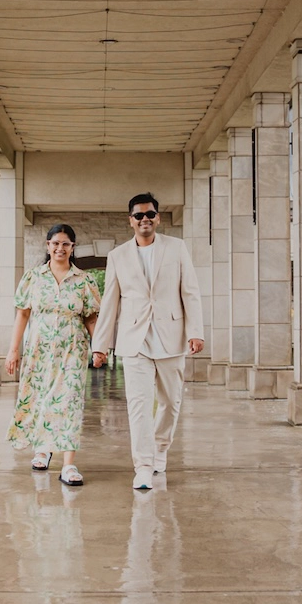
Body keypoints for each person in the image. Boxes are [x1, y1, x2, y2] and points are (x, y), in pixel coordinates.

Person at [90, 193, 204, 490]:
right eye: (138, 215)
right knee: (138, 406)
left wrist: (196, 331)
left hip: (171, 337)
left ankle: (160, 450)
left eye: (150, 214)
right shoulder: (118, 256)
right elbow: (110, 303)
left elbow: (190, 292)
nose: (145, 220)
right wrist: (100, 346)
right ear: (131, 221)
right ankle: (142, 466)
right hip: (134, 341)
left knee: (170, 402)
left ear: (158, 218)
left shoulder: (176, 248)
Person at [5, 224, 101, 486]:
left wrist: (99, 347)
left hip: (73, 349)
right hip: (39, 349)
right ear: (48, 246)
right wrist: (14, 351)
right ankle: (43, 449)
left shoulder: (84, 280)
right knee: (40, 398)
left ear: (72, 247)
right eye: (55, 243)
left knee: (69, 402)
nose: (60, 248)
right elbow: (22, 314)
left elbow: (91, 318)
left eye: (66, 244)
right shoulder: (33, 277)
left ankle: (68, 465)